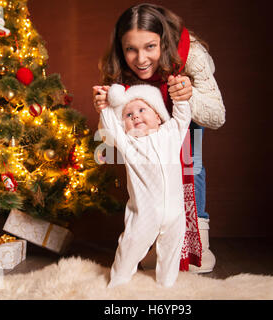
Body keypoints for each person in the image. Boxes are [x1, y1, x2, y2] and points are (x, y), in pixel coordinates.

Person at [93, 3, 226, 273]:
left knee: (189, 149)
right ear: (121, 48)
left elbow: (217, 117)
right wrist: (105, 111)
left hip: (181, 127)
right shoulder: (117, 68)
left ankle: (195, 241)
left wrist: (188, 97)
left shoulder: (191, 54)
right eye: (131, 49)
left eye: (150, 47)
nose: (141, 59)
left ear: (164, 43)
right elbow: (109, 142)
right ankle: (150, 234)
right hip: (144, 137)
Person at [100, 83, 191, 288]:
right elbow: (110, 129)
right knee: (130, 247)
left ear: (158, 116)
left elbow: (183, 117)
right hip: (144, 213)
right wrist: (106, 106)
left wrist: (179, 97)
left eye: (142, 110)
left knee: (171, 251)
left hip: (176, 212)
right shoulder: (128, 143)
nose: (135, 116)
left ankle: (166, 284)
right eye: (128, 115)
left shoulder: (170, 133)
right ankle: (118, 282)